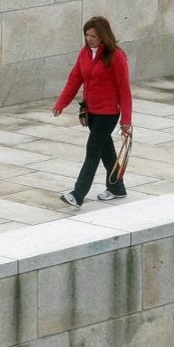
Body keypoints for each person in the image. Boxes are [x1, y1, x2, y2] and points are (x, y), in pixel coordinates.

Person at [52, 16, 132, 208]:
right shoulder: (85, 53)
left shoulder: (116, 56)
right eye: (87, 35)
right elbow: (75, 79)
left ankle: (78, 194)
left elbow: (124, 89)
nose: (89, 39)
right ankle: (117, 188)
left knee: (93, 150)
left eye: (93, 36)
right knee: (106, 150)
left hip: (108, 112)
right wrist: (61, 104)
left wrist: (126, 120)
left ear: (103, 36)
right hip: (91, 111)